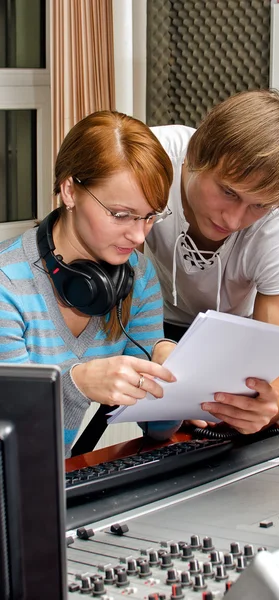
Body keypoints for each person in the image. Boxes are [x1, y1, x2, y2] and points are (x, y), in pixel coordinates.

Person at [0, 110, 180, 457]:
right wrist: (77, 383)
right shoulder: (7, 286)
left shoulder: (137, 276)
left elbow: (157, 430)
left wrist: (174, 380)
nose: (138, 234)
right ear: (70, 191)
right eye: (121, 214)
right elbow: (17, 446)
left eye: (150, 216)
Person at [145, 89, 279, 434]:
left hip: (233, 330)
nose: (235, 220)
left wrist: (266, 411)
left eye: (258, 206)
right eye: (229, 192)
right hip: (149, 315)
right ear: (194, 157)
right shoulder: (149, 161)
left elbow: (278, 380)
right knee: (157, 434)